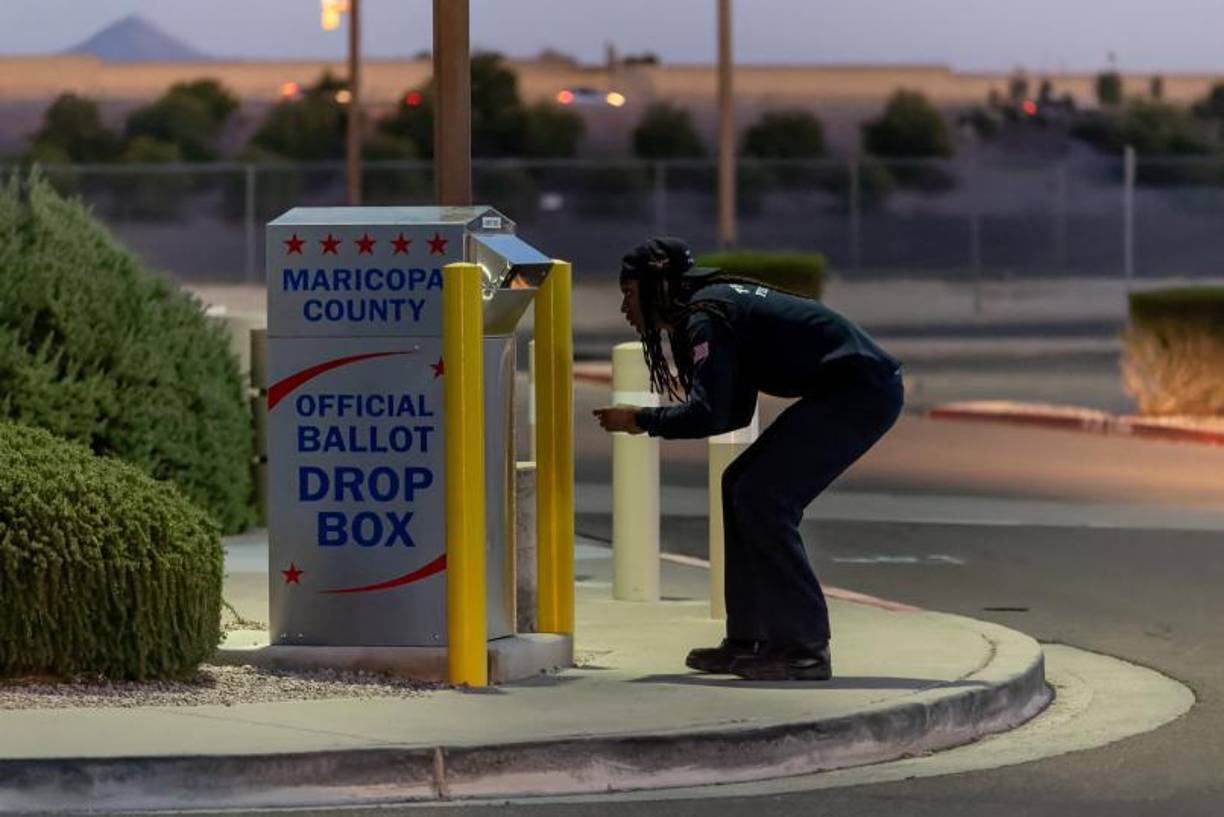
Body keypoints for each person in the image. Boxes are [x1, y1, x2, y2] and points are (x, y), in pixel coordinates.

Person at [593, 237, 904, 681]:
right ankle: (750, 639)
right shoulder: (708, 306)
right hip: (848, 389)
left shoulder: (705, 318)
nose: (625, 308)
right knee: (741, 483)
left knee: (764, 498)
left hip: (860, 393)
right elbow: (732, 411)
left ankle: (804, 649)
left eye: (628, 293)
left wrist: (641, 419)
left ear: (655, 286)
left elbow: (711, 412)